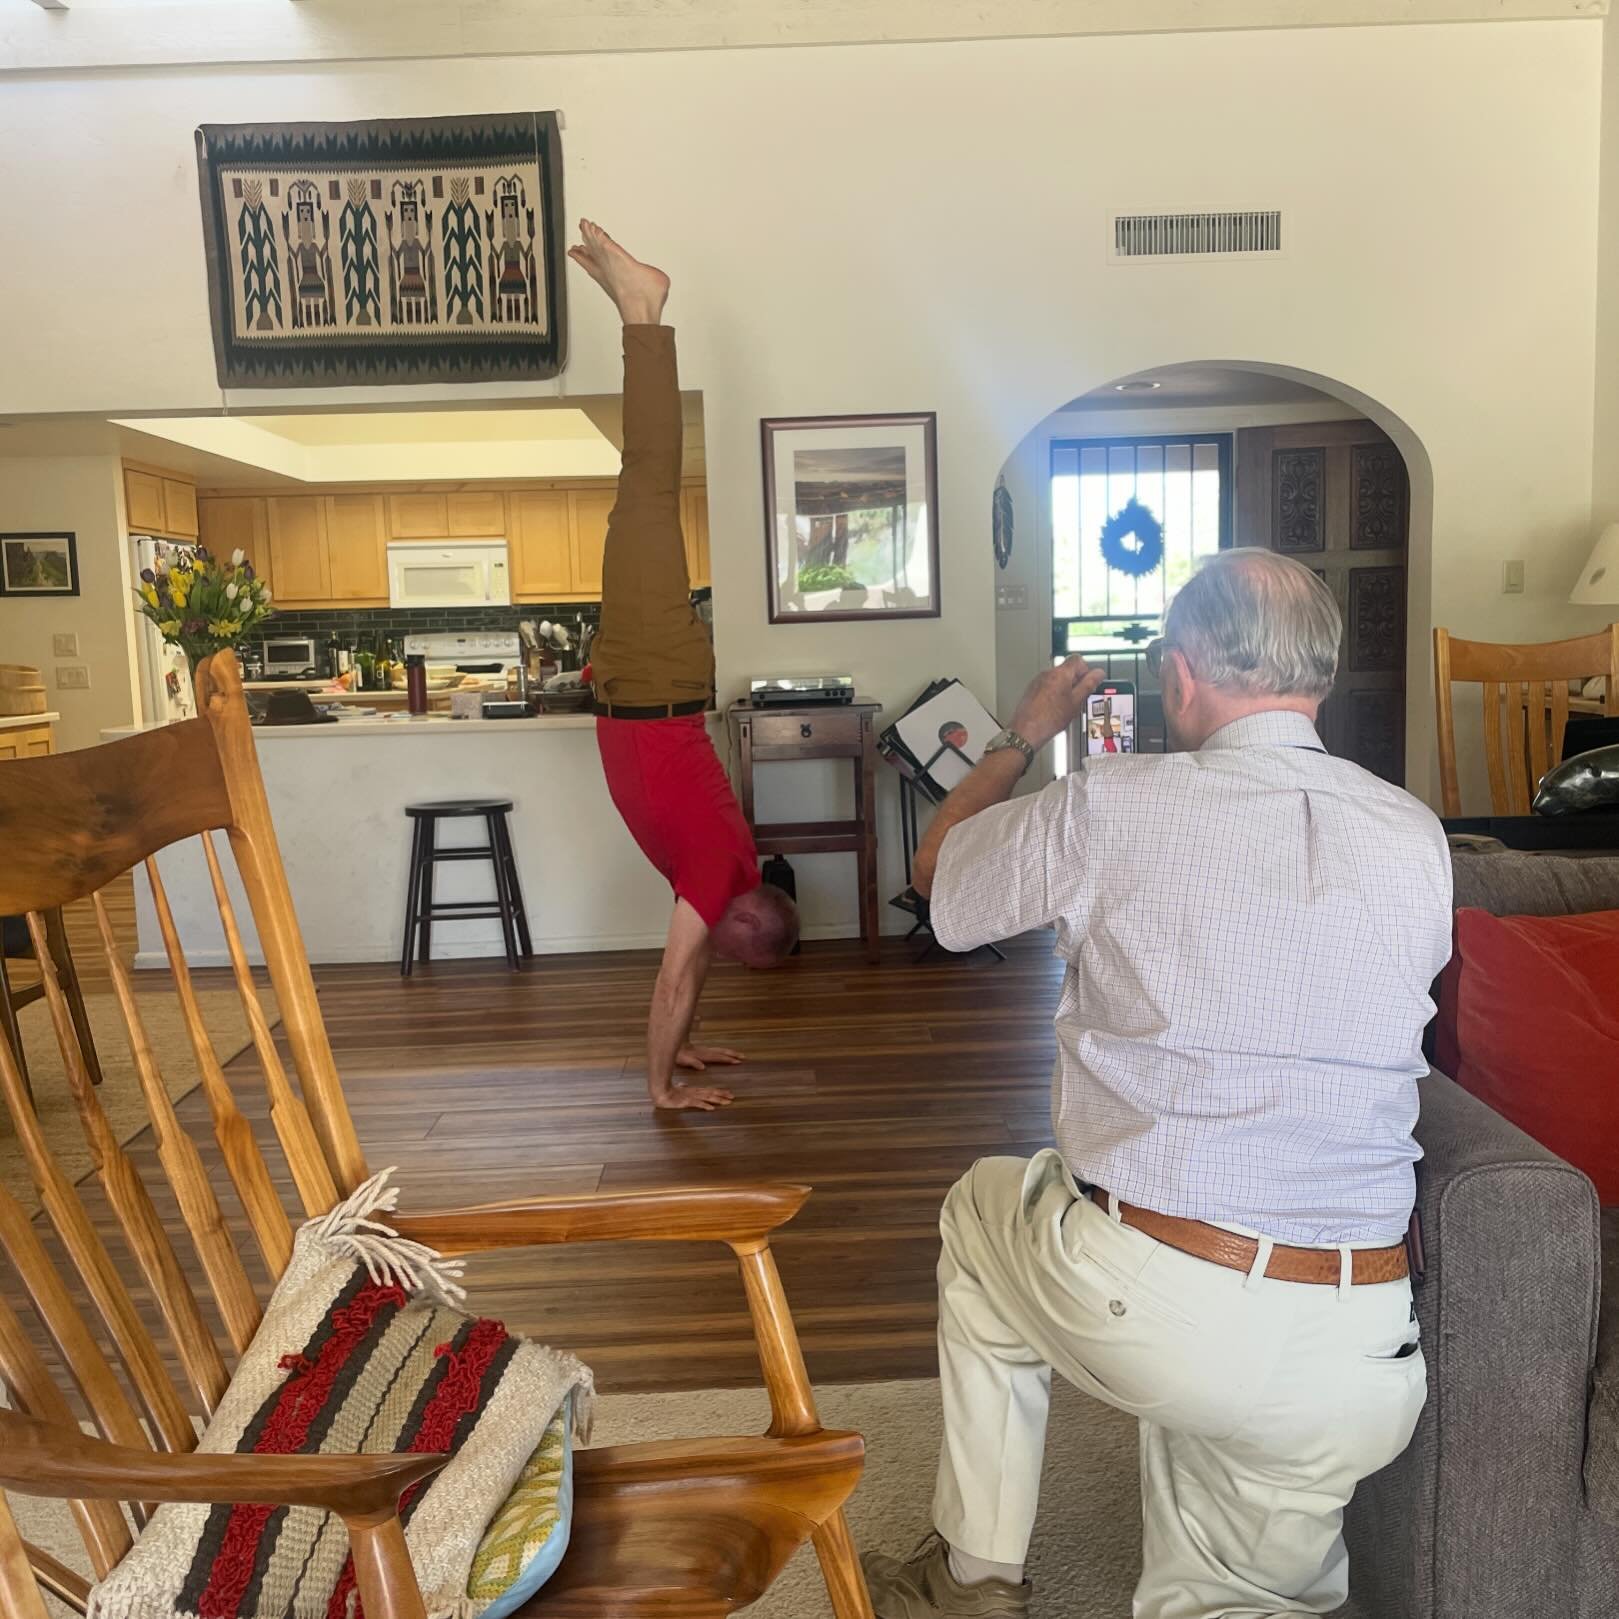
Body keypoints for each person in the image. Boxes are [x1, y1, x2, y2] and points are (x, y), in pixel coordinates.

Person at [861, 549, 1453, 1618]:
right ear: (1315, 675)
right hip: (1361, 1347)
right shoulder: (1414, 833)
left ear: (1180, 675)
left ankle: (972, 1576)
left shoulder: (1113, 804)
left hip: (1167, 1299)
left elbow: (938, 879)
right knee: (1239, 1590)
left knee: (980, 1214)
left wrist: (1019, 731)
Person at [570, 221, 798, 1112]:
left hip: (649, 679)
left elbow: (691, 970)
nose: (719, 957)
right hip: (649, 670)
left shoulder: (731, 876)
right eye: (738, 952)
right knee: (648, 480)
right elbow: (672, 978)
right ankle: (646, 313)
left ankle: (639, 312)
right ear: (745, 922)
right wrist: (658, 1087)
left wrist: (690, 1046)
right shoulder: (714, 877)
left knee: (649, 485)